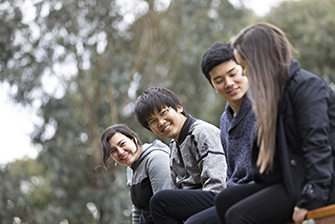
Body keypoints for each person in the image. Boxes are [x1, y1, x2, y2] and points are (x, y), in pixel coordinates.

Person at [215, 22, 335, 224]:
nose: (243, 74)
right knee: (224, 200)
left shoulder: (307, 88)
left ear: (260, 62)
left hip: (320, 182)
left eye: (244, 67)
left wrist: (310, 198)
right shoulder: (277, 93)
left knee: (238, 216)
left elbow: (319, 150)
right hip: (292, 179)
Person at [177, 41, 257, 224]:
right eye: (219, 80)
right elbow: (230, 171)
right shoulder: (225, 119)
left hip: (261, 192)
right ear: (213, 86)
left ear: (245, 70)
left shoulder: (264, 107)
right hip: (232, 196)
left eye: (233, 74)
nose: (228, 83)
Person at [134, 87, 227, 224]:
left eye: (163, 112)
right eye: (153, 121)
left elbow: (218, 183)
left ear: (178, 107)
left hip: (219, 196)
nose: (161, 122)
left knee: (160, 202)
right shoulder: (174, 145)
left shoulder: (201, 132)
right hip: (198, 202)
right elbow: (176, 189)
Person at [100, 124, 173, 224]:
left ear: (134, 139)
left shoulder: (156, 159)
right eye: (113, 151)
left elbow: (166, 206)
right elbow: (138, 210)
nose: (120, 152)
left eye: (122, 144)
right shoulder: (130, 169)